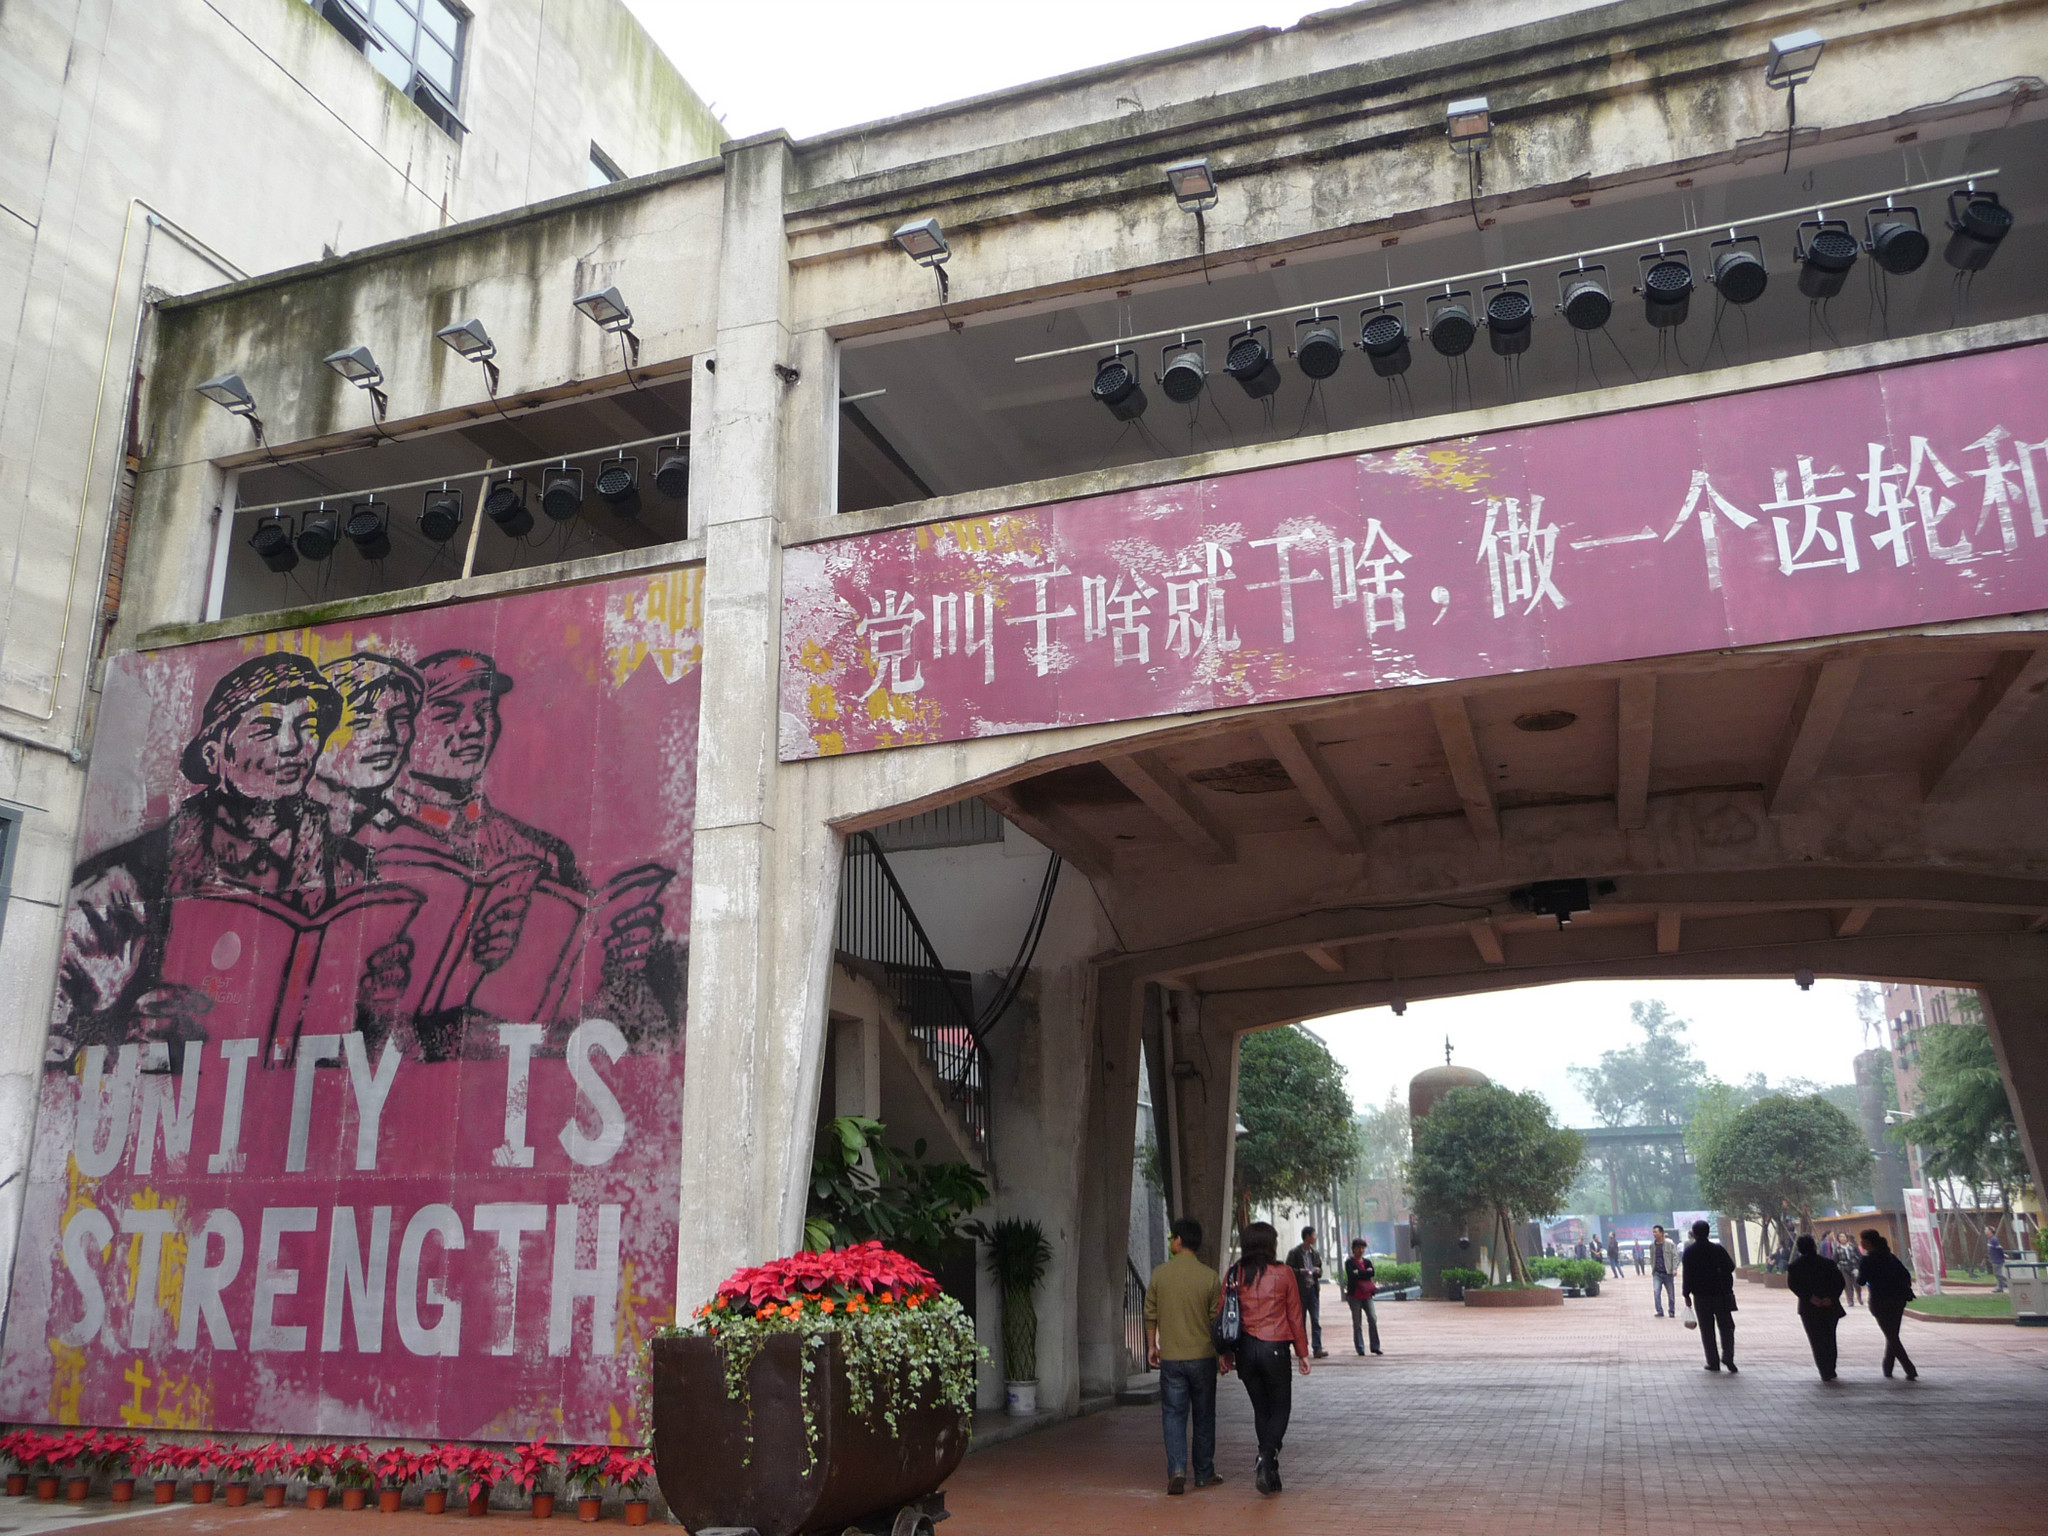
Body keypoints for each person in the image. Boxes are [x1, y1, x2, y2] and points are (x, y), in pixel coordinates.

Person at [1217, 1221, 1310, 1495]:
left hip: (1245, 1350)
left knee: (1261, 1409)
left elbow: (1225, 1314)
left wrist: (1225, 1352)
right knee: (1281, 1407)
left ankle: (1270, 1470)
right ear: (1270, 1245)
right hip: (1275, 1348)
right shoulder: (1284, 1273)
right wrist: (1303, 1353)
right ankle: (1266, 1456)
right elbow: (1295, 1315)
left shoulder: (1234, 1274)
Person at [1143, 1217, 1224, 1496]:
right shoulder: (1209, 1276)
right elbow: (1216, 1320)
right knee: (1204, 1415)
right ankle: (1203, 1472)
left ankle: (1177, 1469)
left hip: (1172, 1358)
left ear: (1178, 1240)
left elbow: (1150, 1312)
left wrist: (1152, 1346)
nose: (1171, 1242)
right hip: (1203, 1357)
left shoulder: (1160, 1274)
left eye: (1171, 1238)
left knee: (1173, 1415)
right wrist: (1221, 1354)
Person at [1858, 1230, 1919, 1380]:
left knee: (1891, 1336)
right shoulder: (1891, 1257)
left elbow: (1861, 1281)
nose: (1861, 1243)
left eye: (1863, 1240)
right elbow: (1905, 1275)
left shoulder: (1867, 1260)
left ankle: (1909, 1368)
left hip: (1879, 1301)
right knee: (1892, 1334)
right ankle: (1888, 1366)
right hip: (1897, 1300)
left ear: (1869, 1242)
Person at [1680, 1219, 1739, 1372]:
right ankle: (1728, 1356)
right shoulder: (1717, 1249)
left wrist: (1686, 1294)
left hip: (1701, 1296)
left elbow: (1687, 1275)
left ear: (1694, 1234)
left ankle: (1713, 1362)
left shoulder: (1690, 1252)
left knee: (1707, 1330)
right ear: (1708, 1233)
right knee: (1726, 1327)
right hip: (1721, 1294)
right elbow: (1730, 1266)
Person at [1786, 1234, 1847, 1381]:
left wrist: (1809, 1297)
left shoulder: (1794, 1267)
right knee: (1830, 1337)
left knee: (1816, 1340)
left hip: (1809, 1308)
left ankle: (1824, 1370)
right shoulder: (1828, 1263)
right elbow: (1840, 1282)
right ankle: (1831, 1368)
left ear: (1799, 1249)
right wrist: (1830, 1298)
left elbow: (1794, 1286)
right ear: (1814, 1246)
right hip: (1829, 1306)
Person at [1285, 1227, 1328, 1359]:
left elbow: (1320, 1269)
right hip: (1300, 1291)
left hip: (1313, 1290)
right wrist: (1300, 1272)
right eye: (1314, 1235)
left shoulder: (1315, 1253)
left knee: (1315, 1320)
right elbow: (1288, 1270)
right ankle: (1302, 1348)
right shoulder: (1294, 1253)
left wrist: (1317, 1271)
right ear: (1307, 1236)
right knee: (1300, 1321)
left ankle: (1317, 1347)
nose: (1315, 1237)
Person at [1342, 1238, 1382, 1356]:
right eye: (1358, 1248)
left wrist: (1359, 1272)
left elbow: (1372, 1273)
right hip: (1354, 1296)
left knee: (1372, 1318)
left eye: (1363, 1248)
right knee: (1357, 1322)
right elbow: (1352, 1275)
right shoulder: (1349, 1262)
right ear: (1353, 1249)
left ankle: (1375, 1346)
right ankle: (1360, 1348)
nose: (1361, 1250)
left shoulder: (1367, 1261)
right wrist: (1365, 1272)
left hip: (1367, 1295)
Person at [1649, 1224, 1678, 1318]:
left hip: (1668, 1273)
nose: (1654, 1234)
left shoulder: (1670, 1244)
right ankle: (1659, 1311)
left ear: (1661, 1233)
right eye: (1653, 1232)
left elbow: (1675, 1257)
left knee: (1671, 1294)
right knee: (1656, 1291)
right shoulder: (1652, 1246)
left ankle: (1671, 1311)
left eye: (1656, 1232)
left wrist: (1674, 1268)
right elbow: (1652, 1258)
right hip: (1657, 1273)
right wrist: (1653, 1269)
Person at [1837, 1236, 1863, 1308]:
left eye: (1843, 1237)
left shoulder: (1853, 1247)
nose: (1842, 1239)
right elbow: (1835, 1259)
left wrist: (1859, 1265)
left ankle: (1859, 1296)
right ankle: (1850, 1300)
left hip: (1854, 1266)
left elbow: (1859, 1256)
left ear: (1846, 1238)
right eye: (1840, 1237)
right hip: (1844, 1268)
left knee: (1857, 1284)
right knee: (1847, 1285)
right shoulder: (1838, 1249)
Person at [1986, 1227, 2008, 1292]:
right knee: (1997, 1273)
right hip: (1994, 1259)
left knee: (1998, 1273)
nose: (1985, 1231)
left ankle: (2005, 1284)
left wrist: (2003, 1255)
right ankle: (2003, 1286)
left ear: (1990, 1231)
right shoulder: (1990, 1239)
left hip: (1997, 1260)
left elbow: (1999, 1249)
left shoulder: (1994, 1240)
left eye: (1987, 1230)